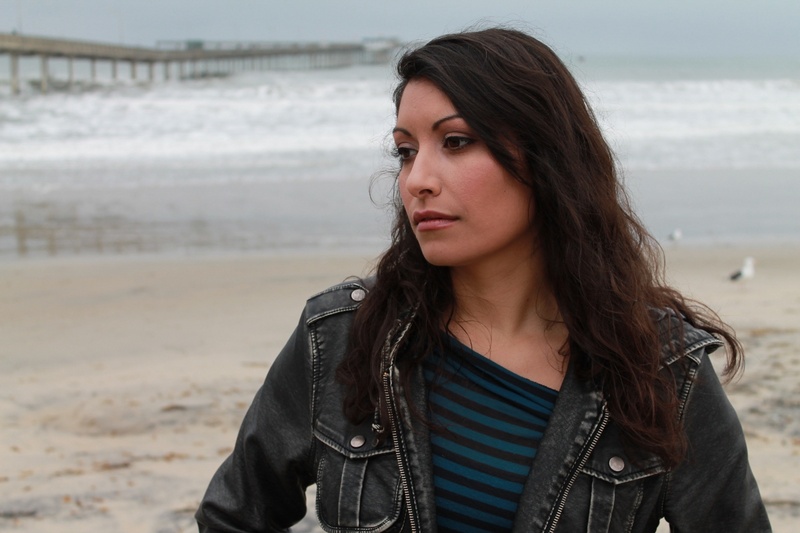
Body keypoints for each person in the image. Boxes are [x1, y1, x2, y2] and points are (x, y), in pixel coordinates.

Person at [195, 28, 771, 532]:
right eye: (404, 151)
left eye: (456, 142)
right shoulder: (342, 336)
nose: (417, 179)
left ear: (545, 159)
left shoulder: (661, 368)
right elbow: (234, 515)